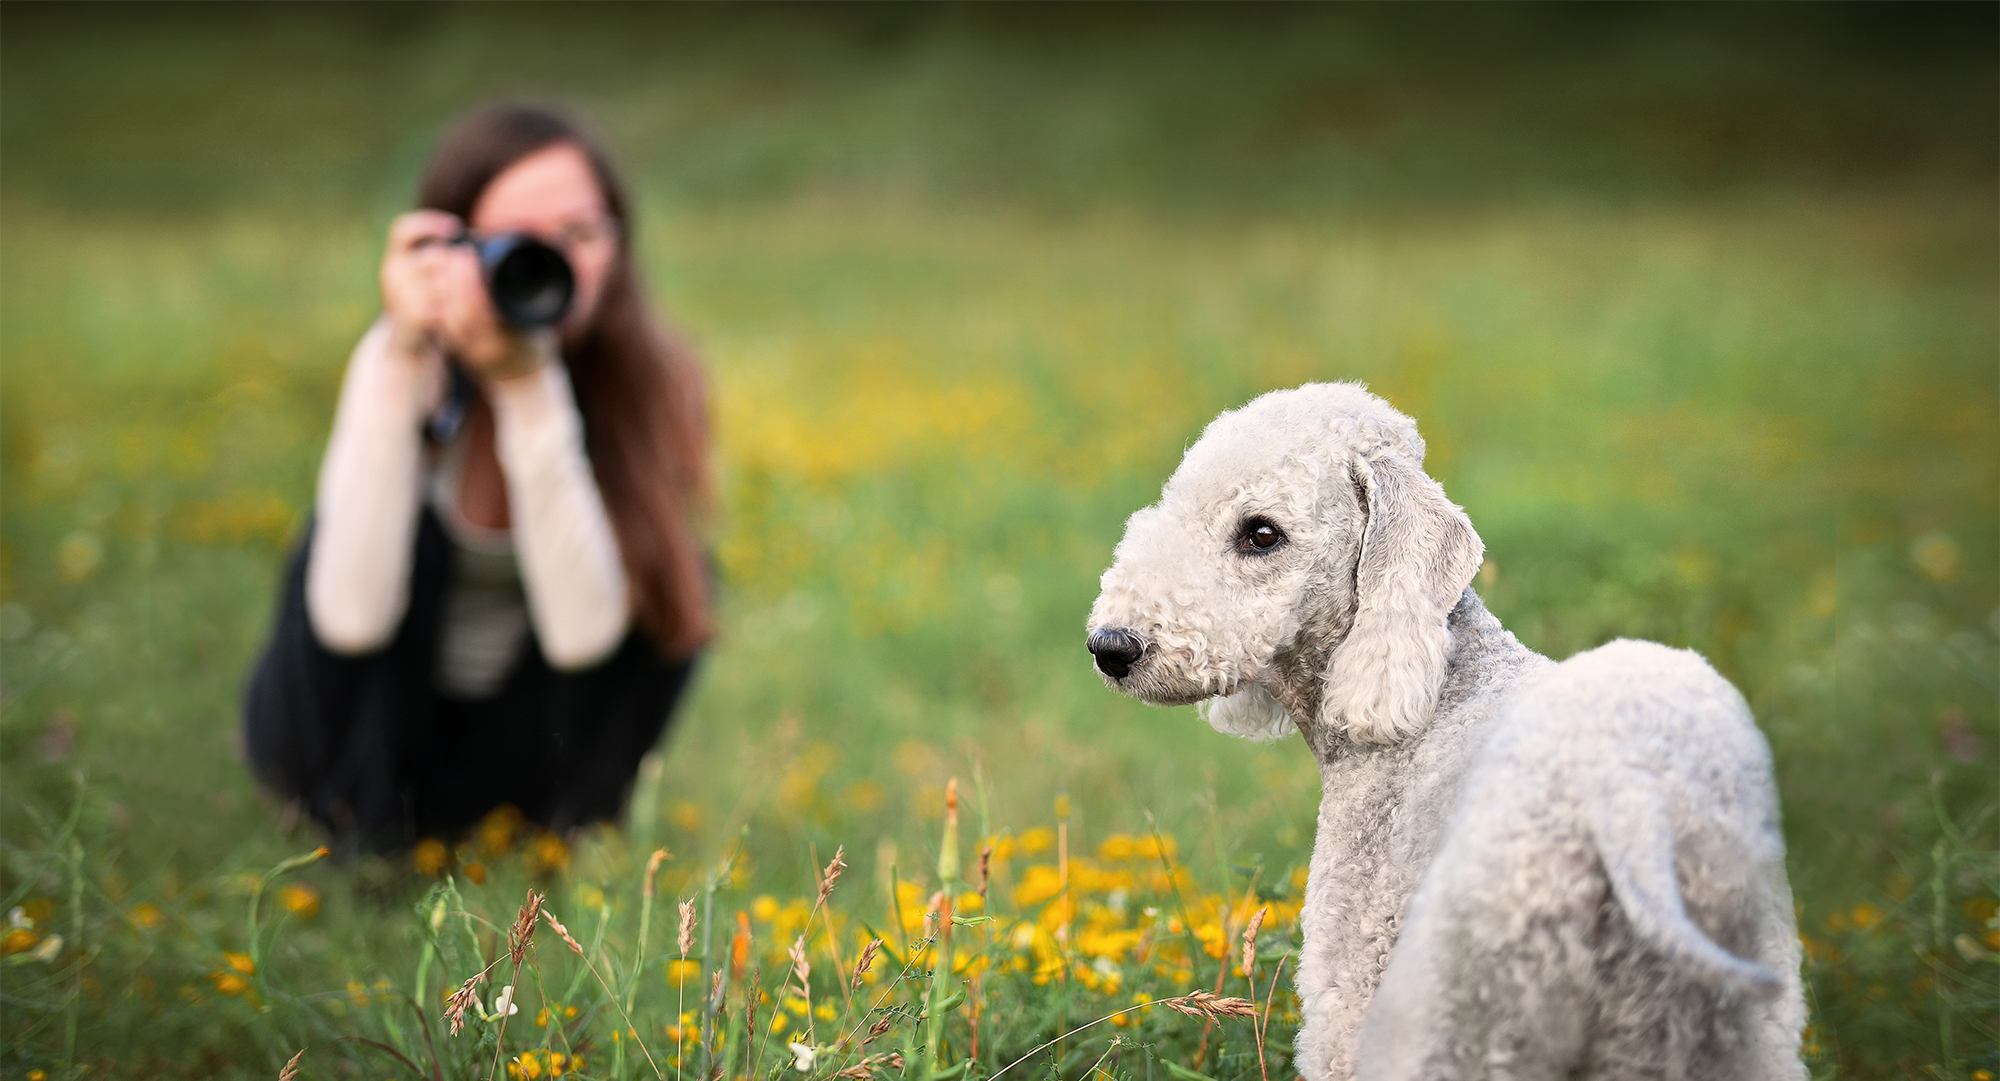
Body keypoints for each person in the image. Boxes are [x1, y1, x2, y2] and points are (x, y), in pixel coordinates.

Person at [243, 104, 712, 852]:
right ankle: (343, 827)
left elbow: (583, 637)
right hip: (367, 720)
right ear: (449, 249)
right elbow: (349, 618)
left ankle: (559, 830)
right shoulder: (404, 363)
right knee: (331, 542)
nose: (551, 264)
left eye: (580, 234)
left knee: (682, 575)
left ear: (620, 244)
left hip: (513, 737)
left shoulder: (650, 383)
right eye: (514, 242)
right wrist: (401, 357)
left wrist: (530, 389)